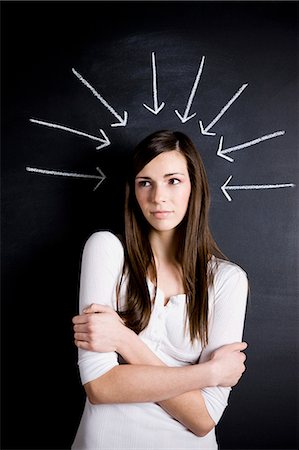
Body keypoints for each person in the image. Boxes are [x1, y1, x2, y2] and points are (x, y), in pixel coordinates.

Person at [71, 130, 248, 449]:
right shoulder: (107, 251)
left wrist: (124, 340)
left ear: (194, 187)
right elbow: (100, 386)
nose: (158, 197)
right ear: (133, 191)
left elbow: (203, 419)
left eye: (173, 180)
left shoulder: (227, 280)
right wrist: (209, 374)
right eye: (145, 182)